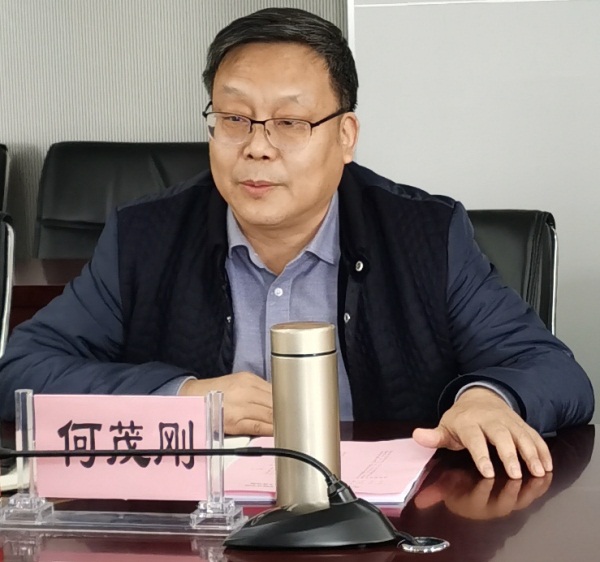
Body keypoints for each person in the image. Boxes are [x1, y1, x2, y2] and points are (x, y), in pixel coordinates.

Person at [0, 8, 593, 480]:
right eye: (234, 118)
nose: (257, 147)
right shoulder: (145, 237)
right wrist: (182, 399)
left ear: (345, 136)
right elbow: (21, 372)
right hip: (202, 530)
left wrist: (490, 399)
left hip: (388, 527)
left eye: (290, 123)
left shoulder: (426, 235)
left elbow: (555, 372)